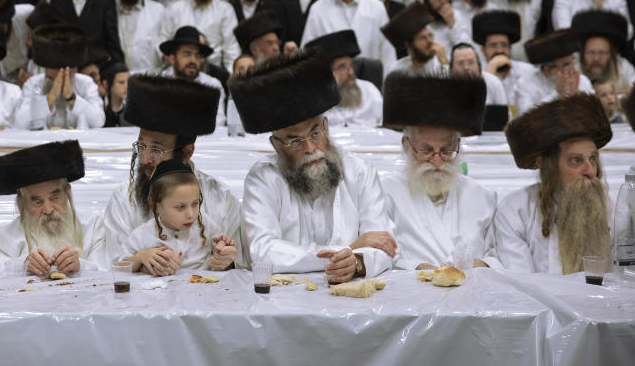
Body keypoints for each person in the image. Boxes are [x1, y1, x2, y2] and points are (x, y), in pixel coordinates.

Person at [233, 50, 397, 280]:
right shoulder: (263, 177)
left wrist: (357, 262)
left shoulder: (359, 171)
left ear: (326, 126)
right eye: (295, 140)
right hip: (283, 302)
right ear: (275, 145)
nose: (310, 148)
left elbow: (384, 243)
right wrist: (347, 250)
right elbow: (261, 251)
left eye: (315, 133)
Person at [101, 73, 238, 263]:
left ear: (187, 152)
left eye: (157, 150)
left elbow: (239, 262)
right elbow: (113, 265)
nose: (145, 158)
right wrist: (141, 262)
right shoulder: (124, 198)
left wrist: (227, 260)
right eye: (141, 146)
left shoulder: (220, 198)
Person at [380, 72, 498, 270]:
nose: (436, 160)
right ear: (406, 145)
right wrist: (415, 267)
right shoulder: (385, 193)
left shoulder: (483, 197)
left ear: (458, 145)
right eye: (426, 151)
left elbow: (501, 256)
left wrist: (484, 264)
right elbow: (378, 255)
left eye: (446, 150)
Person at [497, 93, 613, 273]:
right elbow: (521, 285)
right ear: (545, 165)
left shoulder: (610, 210)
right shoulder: (516, 210)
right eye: (576, 160)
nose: (590, 171)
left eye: (593, 159)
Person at [0, 140, 105, 275]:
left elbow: (108, 275)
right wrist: (23, 266)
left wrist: (80, 266)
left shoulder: (93, 228)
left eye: (55, 198)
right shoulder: (1, 241)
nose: (48, 210)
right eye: (37, 202)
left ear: (67, 194)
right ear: (22, 204)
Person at [121, 158, 237, 275]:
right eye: (180, 207)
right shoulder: (142, 235)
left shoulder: (207, 226)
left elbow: (225, 263)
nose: (191, 215)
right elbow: (119, 268)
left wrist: (224, 254)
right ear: (157, 206)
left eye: (195, 203)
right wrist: (140, 257)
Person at [16, 24, 104, 130]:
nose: (59, 77)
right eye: (52, 74)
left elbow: (99, 121)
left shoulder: (86, 83)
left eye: (62, 70)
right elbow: (20, 123)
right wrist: (51, 97)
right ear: (46, 68)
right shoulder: (33, 84)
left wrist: (71, 97)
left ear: (74, 70)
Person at [157, 26, 226, 130]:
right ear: (172, 59)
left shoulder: (212, 85)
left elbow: (217, 123)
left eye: (197, 55)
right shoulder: (158, 84)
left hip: (205, 143)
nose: (193, 60)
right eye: (187, 54)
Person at [312, 30, 383, 128]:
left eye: (351, 66)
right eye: (342, 67)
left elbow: (384, 126)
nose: (351, 72)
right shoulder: (316, 99)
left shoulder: (369, 90)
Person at [515, 29, 595, 114]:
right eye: (566, 65)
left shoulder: (582, 80)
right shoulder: (525, 84)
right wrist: (557, 94)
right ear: (547, 68)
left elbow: (593, 113)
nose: (573, 69)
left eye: (573, 62)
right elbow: (525, 117)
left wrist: (574, 99)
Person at [473, 10, 535, 102]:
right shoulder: (475, 75)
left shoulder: (527, 71)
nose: (499, 50)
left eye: (504, 45)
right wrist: (489, 73)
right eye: (493, 45)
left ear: (510, 48)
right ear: (483, 50)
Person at [572, 9, 635, 93]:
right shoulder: (574, 68)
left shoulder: (623, 67)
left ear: (610, 54)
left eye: (601, 53)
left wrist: (611, 92)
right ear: (583, 53)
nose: (596, 58)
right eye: (591, 52)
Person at [382, 1, 447, 77]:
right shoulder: (397, 70)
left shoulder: (439, 65)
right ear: (408, 45)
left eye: (430, 35)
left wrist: (444, 63)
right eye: (423, 38)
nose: (429, 41)